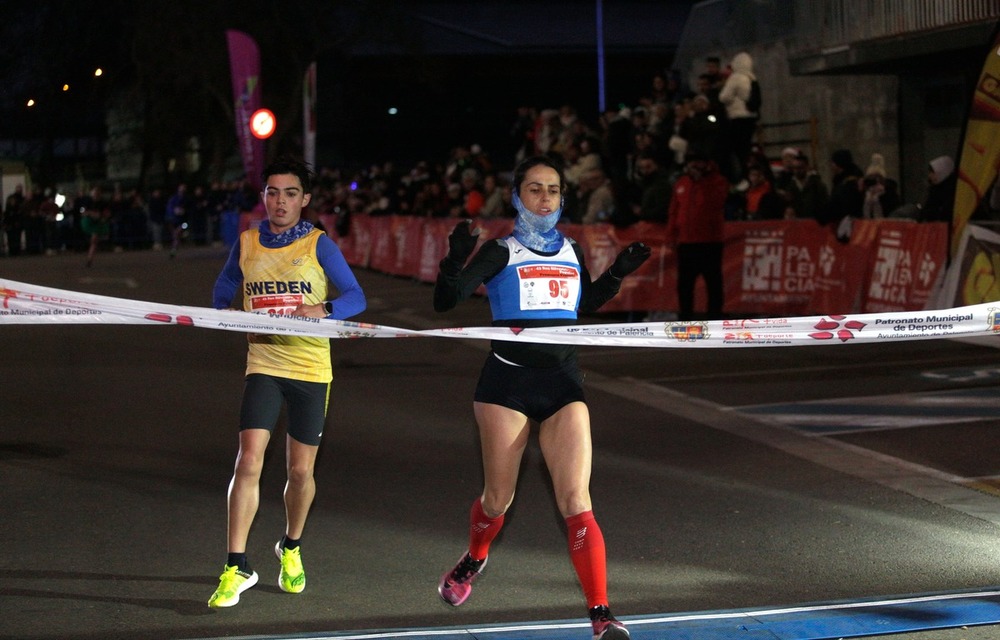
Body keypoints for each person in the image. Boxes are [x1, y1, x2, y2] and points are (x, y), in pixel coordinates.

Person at [433, 155, 650, 640]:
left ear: (562, 198)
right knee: (497, 500)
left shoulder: (571, 248)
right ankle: (474, 558)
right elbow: (446, 300)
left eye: (553, 190)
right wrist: (456, 258)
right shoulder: (501, 251)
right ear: (516, 197)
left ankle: (601, 614)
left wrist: (617, 272)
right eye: (535, 189)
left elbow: (582, 304)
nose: (545, 198)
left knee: (576, 499)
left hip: (562, 384)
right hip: (506, 385)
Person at [207, 157, 367, 608]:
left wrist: (324, 311)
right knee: (249, 460)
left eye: (290, 193)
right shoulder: (247, 242)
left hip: (312, 371)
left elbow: (356, 297)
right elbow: (223, 287)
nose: (280, 201)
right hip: (264, 363)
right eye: (273, 192)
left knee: (300, 471)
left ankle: (291, 547)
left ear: (306, 199)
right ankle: (236, 565)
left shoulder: (319, 244)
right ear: (263, 197)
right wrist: (224, 313)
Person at [666, 154, 729, 320]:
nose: (694, 165)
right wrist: (671, 235)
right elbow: (674, 211)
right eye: (691, 162)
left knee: (713, 282)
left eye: (698, 161)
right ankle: (685, 316)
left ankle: (714, 317)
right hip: (687, 242)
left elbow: (717, 202)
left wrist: (704, 180)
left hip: (710, 241)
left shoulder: (717, 182)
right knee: (685, 284)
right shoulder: (682, 183)